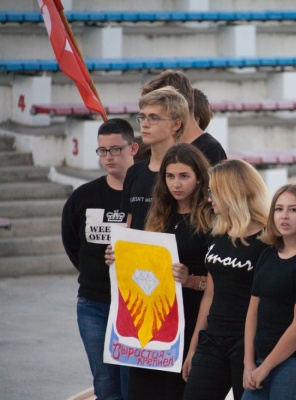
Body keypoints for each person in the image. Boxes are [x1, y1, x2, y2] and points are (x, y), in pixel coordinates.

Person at [123, 143, 213, 399]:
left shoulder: (211, 219)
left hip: (192, 319)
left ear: (199, 178)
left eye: (184, 176)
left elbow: (220, 284)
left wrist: (191, 280)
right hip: (154, 320)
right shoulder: (159, 213)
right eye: (170, 176)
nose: (176, 183)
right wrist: (121, 259)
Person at [61, 118, 138, 400]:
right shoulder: (83, 196)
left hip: (135, 304)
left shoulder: (147, 195)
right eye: (102, 150)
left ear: (133, 149)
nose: (109, 156)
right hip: (93, 303)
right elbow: (72, 242)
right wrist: (92, 271)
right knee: (104, 383)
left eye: (116, 149)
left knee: (133, 384)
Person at [182, 159, 271, 400]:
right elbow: (210, 294)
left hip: (249, 343)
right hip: (213, 339)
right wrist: (194, 347)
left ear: (233, 193)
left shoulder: (268, 239)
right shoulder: (218, 234)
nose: (209, 199)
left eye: (214, 192)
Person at [242, 184, 296, 400]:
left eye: (293, 210)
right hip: (261, 361)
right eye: (279, 209)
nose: (284, 216)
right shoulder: (267, 255)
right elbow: (253, 311)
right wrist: (249, 362)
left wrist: (265, 367)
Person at [121, 85, 188, 230]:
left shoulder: (189, 172)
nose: (145, 124)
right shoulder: (134, 172)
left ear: (176, 124)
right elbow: (129, 225)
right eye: (142, 117)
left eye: (154, 118)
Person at [141, 70, 227, 165]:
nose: (145, 124)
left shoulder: (211, 150)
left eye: (154, 115)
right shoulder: (158, 149)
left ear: (178, 102)